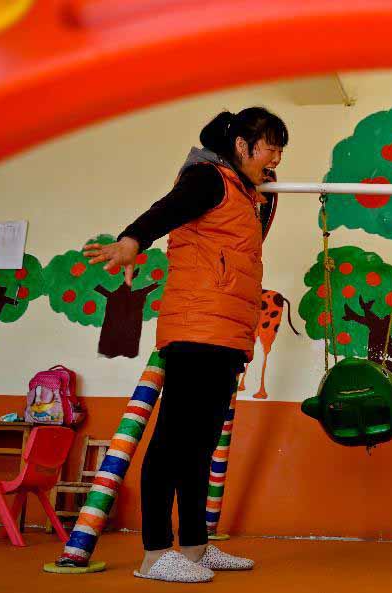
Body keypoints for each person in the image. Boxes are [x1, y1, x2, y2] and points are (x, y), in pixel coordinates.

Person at [84, 107, 287, 583]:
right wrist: (133, 240)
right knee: (174, 442)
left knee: (199, 446)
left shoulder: (244, 192)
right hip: (197, 330)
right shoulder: (208, 178)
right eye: (271, 146)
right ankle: (155, 554)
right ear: (242, 146)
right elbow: (167, 210)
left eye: (281, 148)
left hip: (225, 333)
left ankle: (194, 547)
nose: (277, 157)